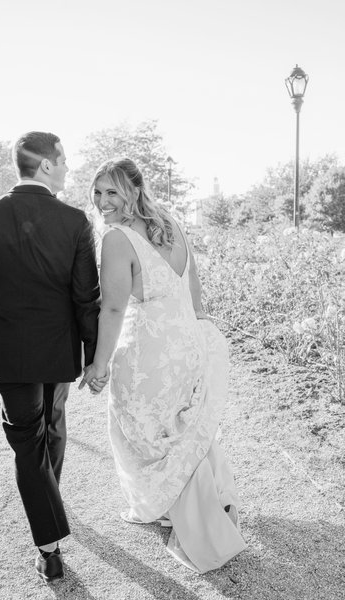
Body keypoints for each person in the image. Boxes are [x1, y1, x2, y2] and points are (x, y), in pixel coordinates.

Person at [80, 158, 246, 573]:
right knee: (180, 424)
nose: (103, 202)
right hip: (186, 340)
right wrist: (201, 338)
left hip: (148, 351)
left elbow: (114, 308)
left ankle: (190, 513)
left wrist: (99, 366)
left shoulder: (117, 238)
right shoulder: (171, 222)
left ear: (134, 191)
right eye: (97, 192)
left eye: (112, 192)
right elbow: (193, 288)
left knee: (145, 430)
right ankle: (200, 497)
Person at [0, 131, 103, 582]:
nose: (67, 169)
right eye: (63, 161)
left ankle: (48, 544)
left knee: (28, 438)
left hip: (8, 348)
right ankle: (51, 541)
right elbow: (87, 297)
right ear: (44, 164)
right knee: (52, 426)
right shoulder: (75, 220)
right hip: (59, 347)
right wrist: (93, 354)